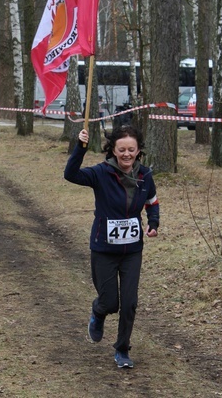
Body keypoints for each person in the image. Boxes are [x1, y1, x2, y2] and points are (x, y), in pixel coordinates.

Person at [64, 125, 159, 369]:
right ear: (113, 150)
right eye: (122, 150)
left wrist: (154, 223)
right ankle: (98, 313)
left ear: (138, 151)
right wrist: (80, 147)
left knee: (129, 303)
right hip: (104, 249)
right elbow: (71, 174)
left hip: (132, 251)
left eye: (131, 150)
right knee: (110, 303)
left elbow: (151, 200)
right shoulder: (101, 173)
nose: (127, 154)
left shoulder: (145, 175)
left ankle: (122, 350)